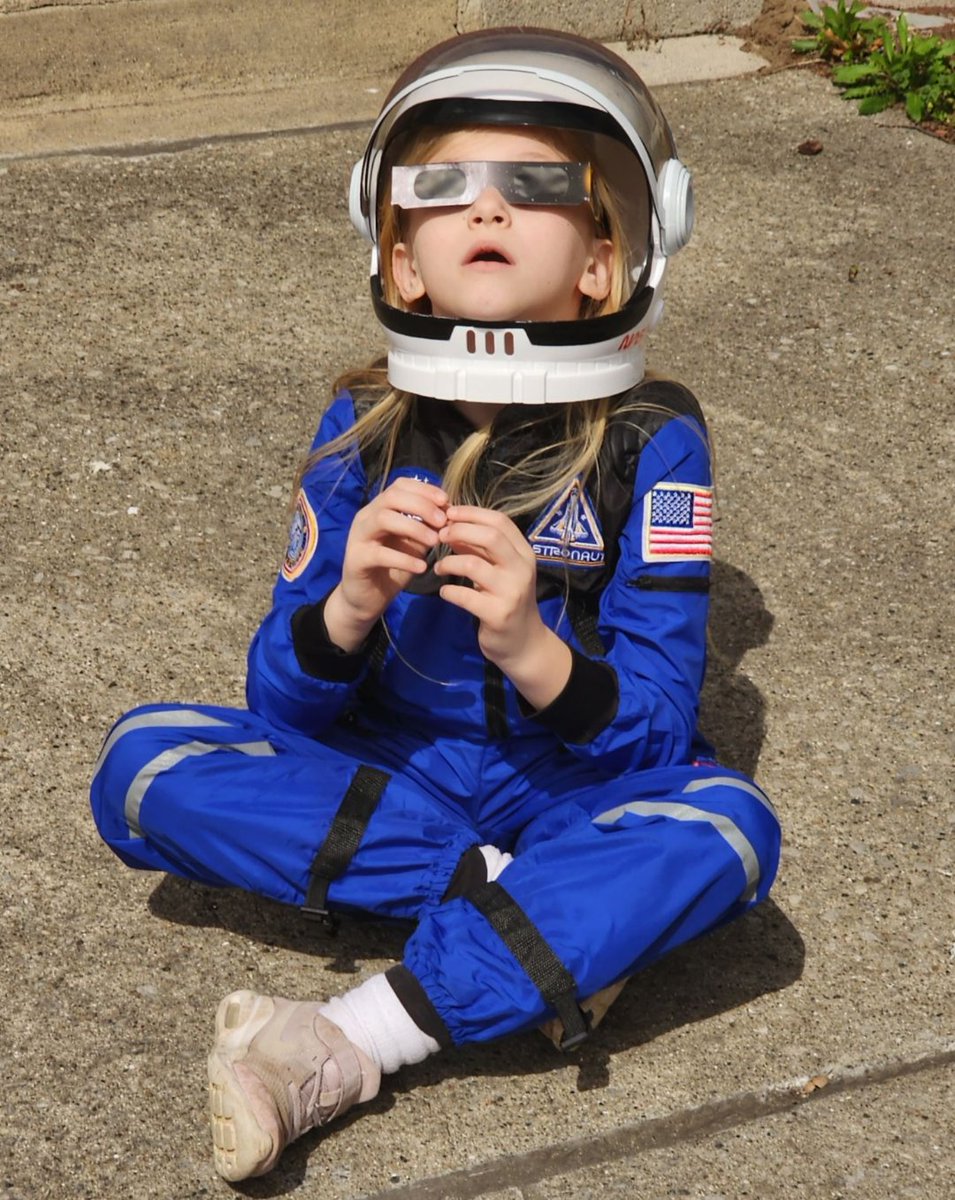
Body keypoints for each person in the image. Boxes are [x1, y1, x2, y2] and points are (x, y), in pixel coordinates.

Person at [90, 28, 781, 1182]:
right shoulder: (361, 422)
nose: (488, 210)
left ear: (608, 256)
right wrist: (350, 604)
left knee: (727, 834)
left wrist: (529, 644)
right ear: (399, 258)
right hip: (393, 769)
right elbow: (284, 702)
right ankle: (524, 917)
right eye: (442, 186)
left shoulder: (656, 441)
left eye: (540, 185)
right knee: (143, 763)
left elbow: (658, 727)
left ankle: (345, 1041)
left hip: (567, 781)